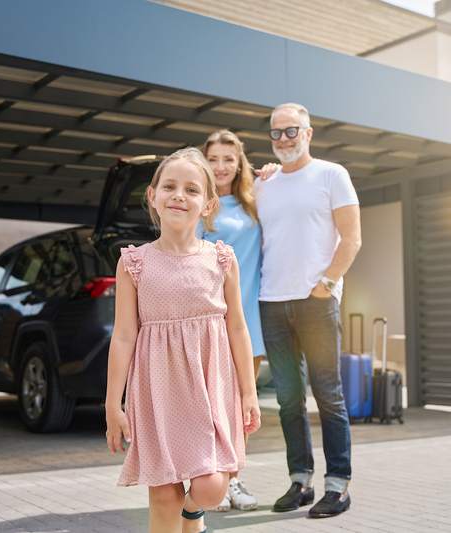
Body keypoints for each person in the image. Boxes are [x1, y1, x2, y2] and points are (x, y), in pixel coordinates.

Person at [105, 147, 261, 533]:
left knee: (211, 487)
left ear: (208, 205)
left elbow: (238, 329)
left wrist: (248, 392)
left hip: (211, 388)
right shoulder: (134, 263)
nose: (179, 195)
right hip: (157, 390)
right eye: (169, 186)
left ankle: (194, 516)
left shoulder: (221, 259)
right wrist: (113, 403)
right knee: (163, 496)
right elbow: (124, 336)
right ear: (153, 197)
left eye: (191, 190)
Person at [255, 102, 362, 518]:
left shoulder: (332, 175)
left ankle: (338, 486)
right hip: (272, 302)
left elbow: (351, 239)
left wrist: (327, 285)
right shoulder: (264, 184)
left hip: (316, 303)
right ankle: (300, 481)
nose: (283, 139)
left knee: (328, 395)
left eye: (291, 131)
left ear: (309, 133)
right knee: (287, 400)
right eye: (276, 133)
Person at [199, 129, 276, 512]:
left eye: (228, 159)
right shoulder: (199, 204)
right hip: (212, 320)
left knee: (243, 406)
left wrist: (273, 173)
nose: (221, 167)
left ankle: (234, 479)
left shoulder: (252, 201)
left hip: (250, 319)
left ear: (239, 162)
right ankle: (210, 480)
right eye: (213, 159)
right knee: (212, 404)